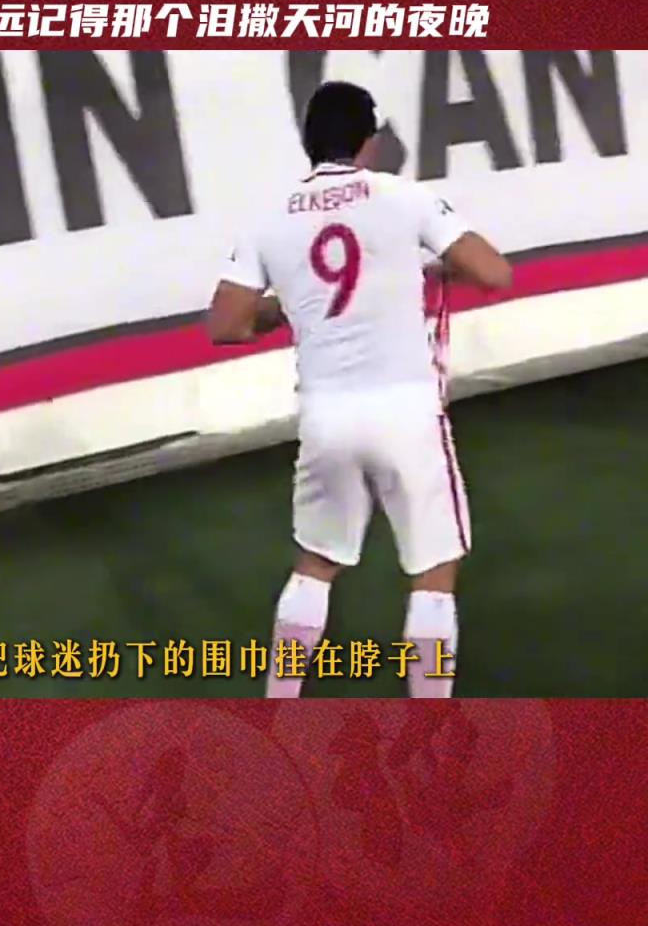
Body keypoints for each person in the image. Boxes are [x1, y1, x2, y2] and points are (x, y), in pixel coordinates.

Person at [206, 81, 512, 699]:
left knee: (316, 566)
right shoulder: (402, 196)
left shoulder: (269, 217)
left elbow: (226, 325)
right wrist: (422, 267)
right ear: (368, 142)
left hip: (326, 415)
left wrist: (290, 305)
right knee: (433, 572)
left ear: (307, 141)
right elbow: (493, 271)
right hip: (406, 409)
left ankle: (279, 707)